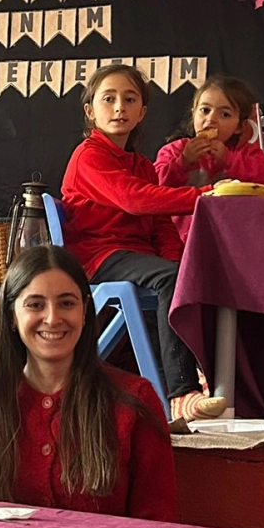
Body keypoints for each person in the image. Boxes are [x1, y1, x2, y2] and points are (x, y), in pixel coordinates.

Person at [0, 245, 178, 521]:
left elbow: (157, 523)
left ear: (85, 311)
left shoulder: (135, 401)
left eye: (67, 303)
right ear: (11, 316)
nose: (53, 318)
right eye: (35, 304)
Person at [60, 64, 214, 423]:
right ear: (90, 110)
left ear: (142, 112)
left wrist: (177, 263)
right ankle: (182, 393)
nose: (119, 108)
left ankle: (207, 380)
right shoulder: (88, 155)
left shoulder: (143, 165)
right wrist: (204, 196)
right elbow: (134, 199)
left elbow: (161, 225)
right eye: (109, 99)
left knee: (188, 276)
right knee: (171, 279)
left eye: (130, 100)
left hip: (138, 259)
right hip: (100, 257)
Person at [154, 76, 264, 239]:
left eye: (224, 114)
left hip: (234, 236)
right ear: (193, 113)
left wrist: (228, 159)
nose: (211, 119)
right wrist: (183, 162)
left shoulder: (246, 153)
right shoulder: (175, 150)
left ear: (239, 126)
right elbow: (155, 188)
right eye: (205, 110)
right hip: (182, 238)